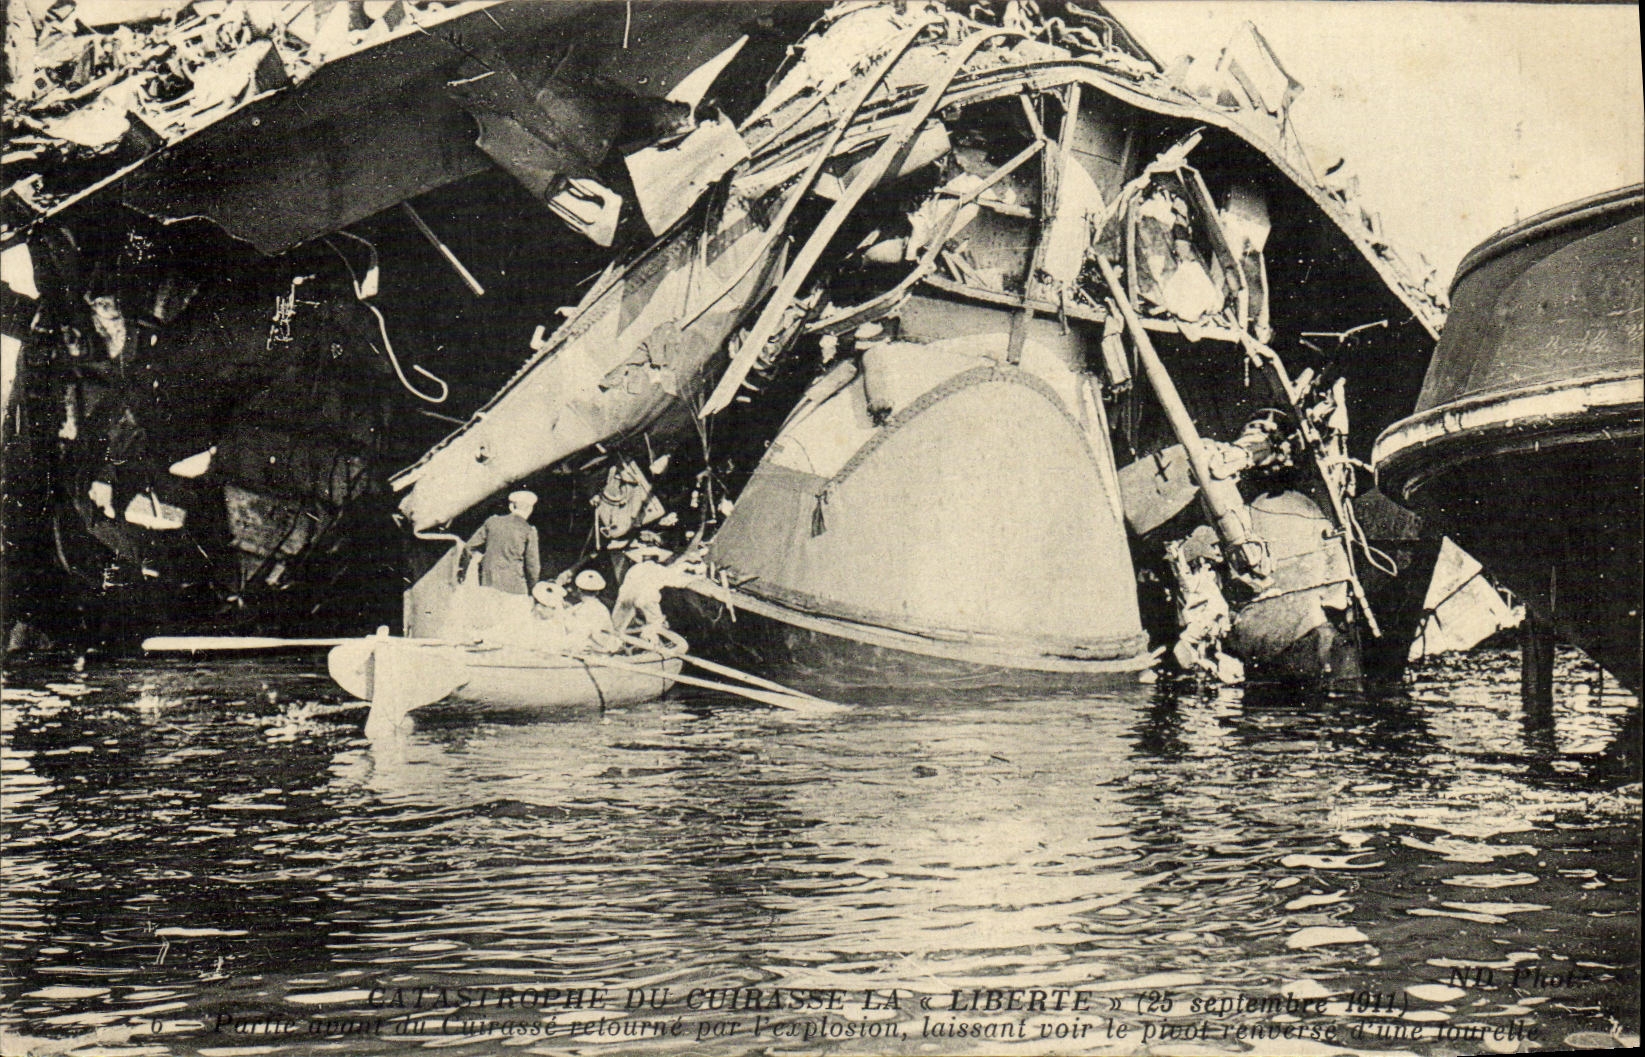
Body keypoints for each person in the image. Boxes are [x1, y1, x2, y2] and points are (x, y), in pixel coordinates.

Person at [461, 491, 541, 622]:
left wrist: (467, 571)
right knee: (512, 629)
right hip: (515, 588)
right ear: (530, 509)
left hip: (488, 583)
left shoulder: (492, 522)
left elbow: (469, 547)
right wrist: (533, 590)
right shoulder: (529, 531)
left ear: (511, 507)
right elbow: (533, 566)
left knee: (489, 626)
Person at [561, 569, 618, 653]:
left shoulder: (584, 609)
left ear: (579, 590)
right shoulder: (601, 608)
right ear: (598, 592)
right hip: (601, 643)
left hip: (592, 645)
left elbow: (580, 632)